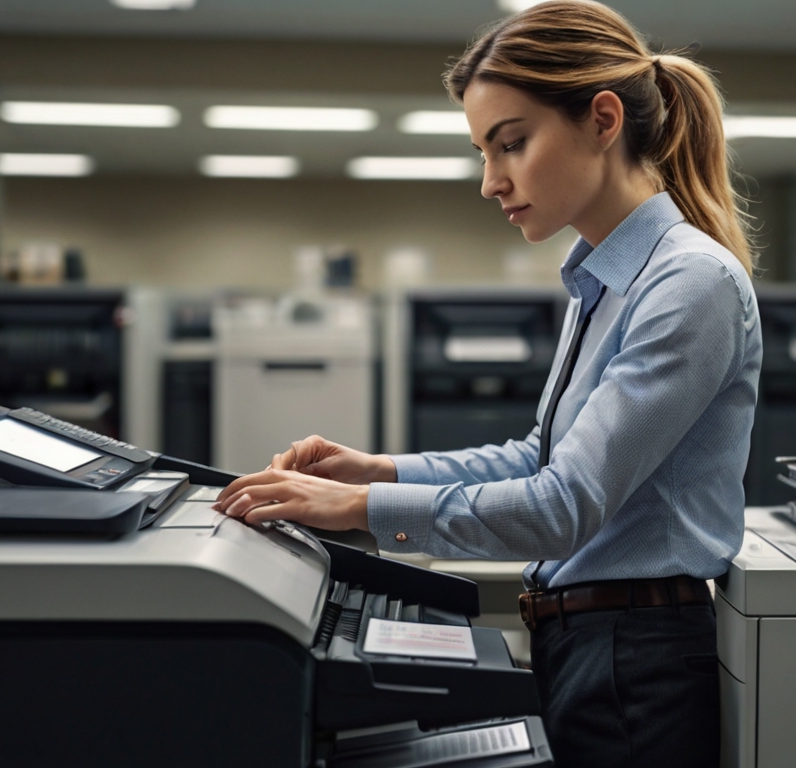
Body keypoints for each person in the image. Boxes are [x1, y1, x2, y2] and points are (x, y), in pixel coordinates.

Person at [213, 2, 761, 765]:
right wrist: (377, 471)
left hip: (637, 662)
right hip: (587, 644)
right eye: (483, 151)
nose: (489, 181)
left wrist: (362, 508)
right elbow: (542, 457)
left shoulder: (688, 284)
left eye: (511, 144)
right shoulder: (604, 277)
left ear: (603, 119)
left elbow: (563, 507)